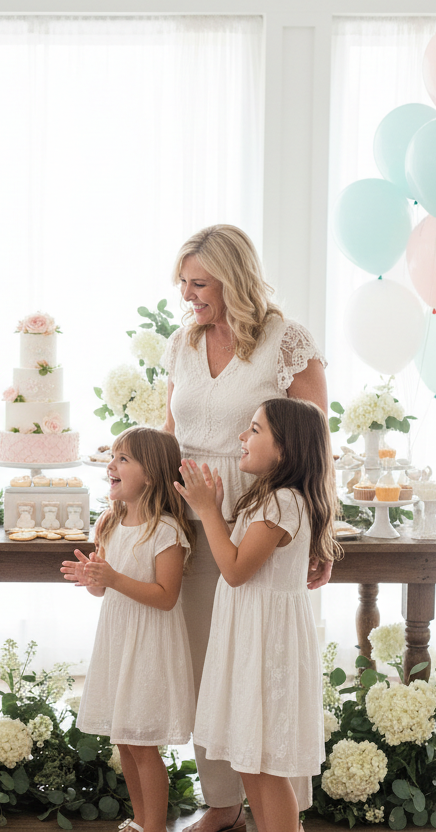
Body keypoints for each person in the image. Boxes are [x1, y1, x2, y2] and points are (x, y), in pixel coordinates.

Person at [160, 224, 330, 832]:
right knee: (208, 660)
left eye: (199, 283)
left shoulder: (287, 341)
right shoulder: (182, 342)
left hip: (259, 510)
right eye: (183, 282)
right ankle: (222, 801)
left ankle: (276, 805)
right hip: (191, 511)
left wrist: (324, 533)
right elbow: (169, 428)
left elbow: (316, 443)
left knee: (258, 663)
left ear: (233, 279)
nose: (187, 295)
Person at [176, 398, 339, 832]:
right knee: (249, 758)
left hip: (268, 647)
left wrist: (208, 507)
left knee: (265, 765)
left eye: (253, 430)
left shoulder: (283, 502)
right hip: (249, 639)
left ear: (284, 449)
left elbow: (233, 570)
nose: (242, 438)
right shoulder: (267, 498)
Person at [60, 426, 197, 832]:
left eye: (123, 459)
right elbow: (105, 590)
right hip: (118, 641)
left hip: (150, 647)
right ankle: (140, 821)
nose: (111, 465)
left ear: (151, 475)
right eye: (113, 456)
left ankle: (154, 826)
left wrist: (113, 578)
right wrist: (93, 580)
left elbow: (166, 595)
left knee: (141, 741)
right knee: (124, 739)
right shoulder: (109, 522)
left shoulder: (166, 530)